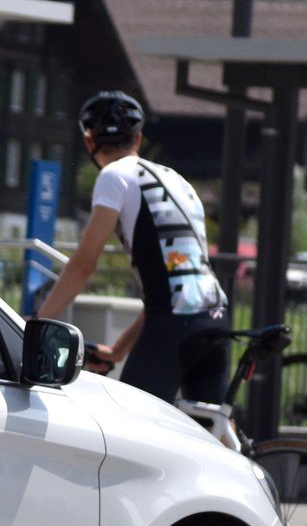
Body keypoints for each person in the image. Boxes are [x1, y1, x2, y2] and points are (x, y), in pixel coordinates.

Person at [37, 90, 230, 404]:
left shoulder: (114, 177)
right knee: (214, 429)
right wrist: (119, 351)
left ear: (89, 142)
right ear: (137, 139)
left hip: (174, 326)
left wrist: (36, 325)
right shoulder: (178, 181)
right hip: (214, 317)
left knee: (131, 421)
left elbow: (84, 263)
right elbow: (175, 289)